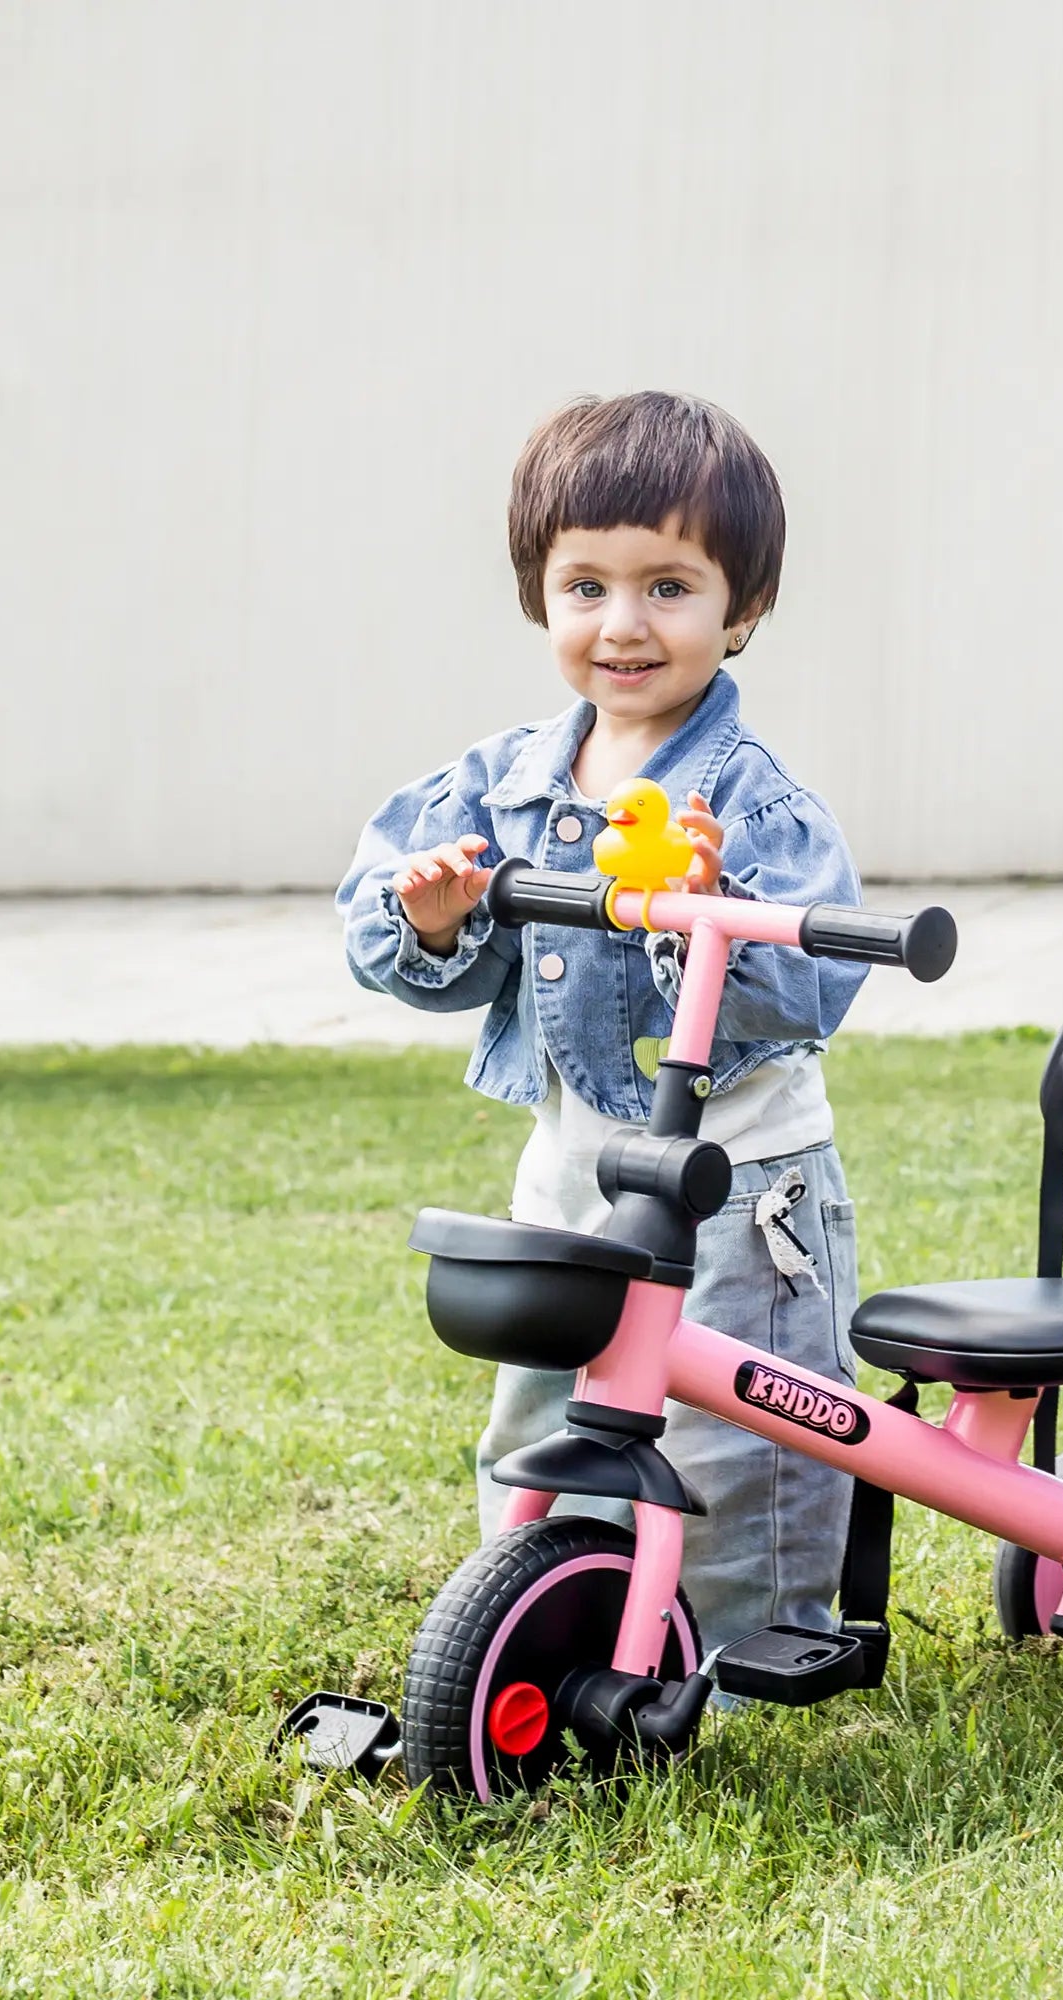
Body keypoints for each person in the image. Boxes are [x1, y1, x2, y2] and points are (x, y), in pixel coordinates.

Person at [337, 392, 865, 1656]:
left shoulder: (749, 798)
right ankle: (541, 1617)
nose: (622, 624)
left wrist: (710, 912)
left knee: (741, 1439)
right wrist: (437, 915)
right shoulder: (499, 783)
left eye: (669, 586)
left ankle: (741, 1653)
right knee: (542, 1414)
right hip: (568, 1167)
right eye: (586, 586)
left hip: (738, 1183)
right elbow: (383, 938)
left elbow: (814, 979)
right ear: (542, 597)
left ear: (739, 609)